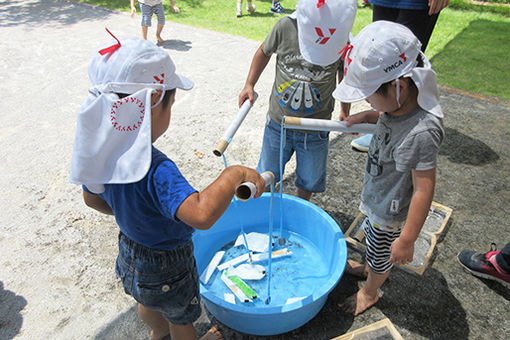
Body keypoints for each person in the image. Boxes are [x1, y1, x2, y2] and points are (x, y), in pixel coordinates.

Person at [70, 34, 266, 340]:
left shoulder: (101, 155)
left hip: (131, 253)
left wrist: (132, 215)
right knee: (181, 317)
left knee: (147, 301)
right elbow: (201, 215)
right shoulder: (157, 169)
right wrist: (233, 173)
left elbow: (91, 199)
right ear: (152, 102)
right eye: (171, 103)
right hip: (168, 263)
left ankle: (155, 334)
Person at [333, 21, 445, 315]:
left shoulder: (421, 131)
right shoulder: (397, 103)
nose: (367, 100)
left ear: (399, 85)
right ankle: (370, 266)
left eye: (369, 94)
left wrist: (407, 239)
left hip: (392, 212)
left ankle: (370, 291)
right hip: (379, 197)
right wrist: (365, 116)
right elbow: (384, 113)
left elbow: (424, 189)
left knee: (383, 251)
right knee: (373, 241)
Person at [238, 0, 356, 201]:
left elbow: (343, 73)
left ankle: (301, 208)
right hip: (279, 123)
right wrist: (249, 84)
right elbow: (263, 51)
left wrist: (345, 109)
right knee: (266, 175)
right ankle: (263, 211)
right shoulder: (285, 27)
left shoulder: (341, 37)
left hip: (316, 126)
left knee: (309, 179)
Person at [350, 0, 450, 152]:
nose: (365, 98)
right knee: (382, 62)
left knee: (399, 68)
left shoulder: (421, 137)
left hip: (415, 3)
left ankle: (392, 134)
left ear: (399, 87)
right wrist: (371, 117)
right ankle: (385, 128)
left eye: (370, 90)